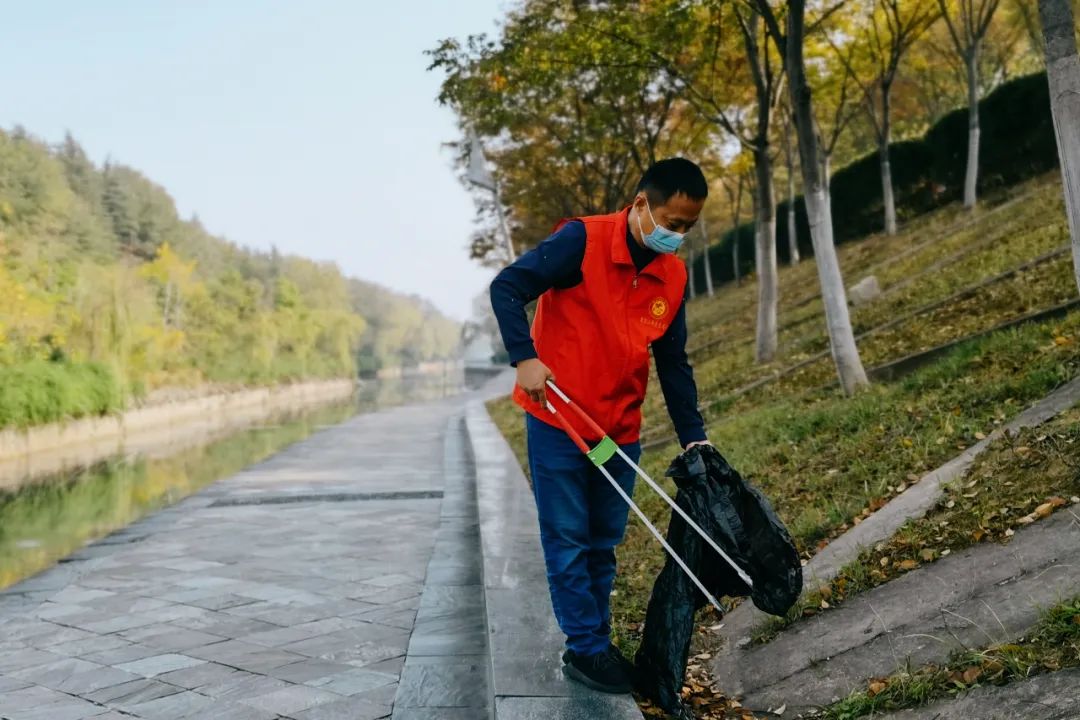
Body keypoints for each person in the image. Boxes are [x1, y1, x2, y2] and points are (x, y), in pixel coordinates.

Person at [489, 157, 711, 694]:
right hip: (558, 419)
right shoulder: (580, 243)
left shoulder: (672, 273)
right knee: (566, 539)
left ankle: (597, 638)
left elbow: (673, 361)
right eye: (671, 223)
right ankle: (585, 649)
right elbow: (507, 287)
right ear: (640, 206)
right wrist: (524, 356)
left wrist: (694, 435)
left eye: (686, 228)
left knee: (602, 541)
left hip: (618, 429)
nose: (676, 235)